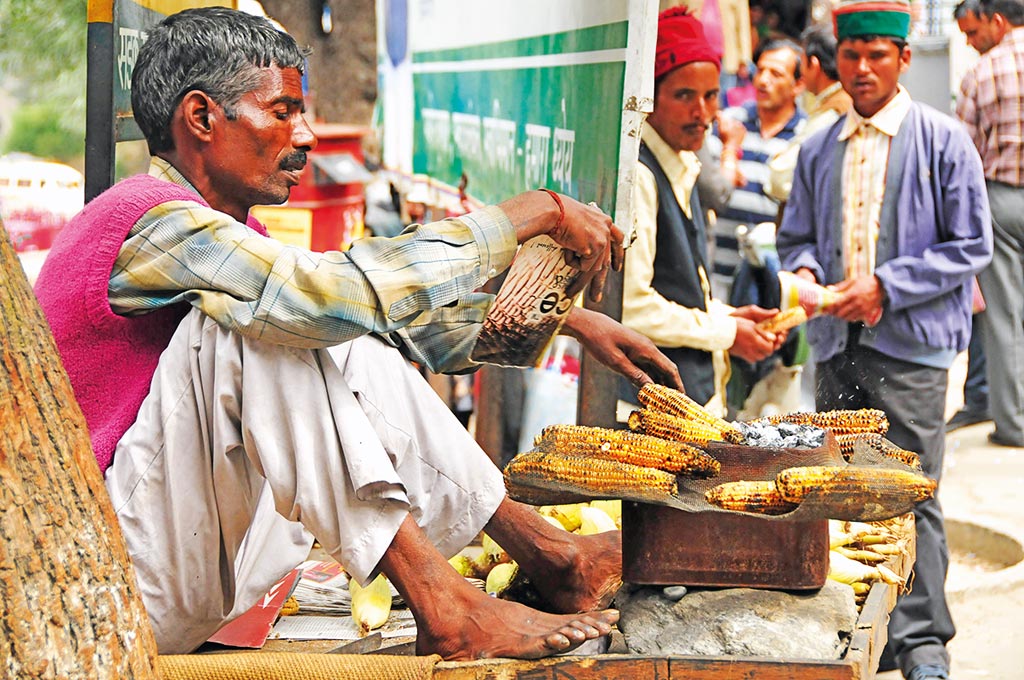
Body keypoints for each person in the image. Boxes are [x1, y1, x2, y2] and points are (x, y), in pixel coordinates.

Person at [33, 7, 685, 660]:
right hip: (109, 584)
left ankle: (548, 553)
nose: (306, 135)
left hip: (197, 564)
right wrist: (532, 212)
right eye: (282, 111)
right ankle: (443, 600)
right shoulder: (142, 221)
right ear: (202, 119)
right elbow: (311, 300)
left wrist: (565, 319)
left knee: (324, 320)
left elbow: (376, 321)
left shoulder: (232, 239)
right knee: (273, 323)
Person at [776, 1, 993, 678]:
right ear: (835, 60)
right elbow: (796, 240)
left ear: (903, 59)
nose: (863, 68)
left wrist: (886, 287)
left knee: (912, 492)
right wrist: (808, 274)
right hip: (837, 344)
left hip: (914, 349)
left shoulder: (943, 140)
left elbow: (972, 244)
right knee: (845, 495)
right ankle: (860, 625)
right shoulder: (817, 146)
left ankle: (922, 641)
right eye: (851, 54)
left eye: (878, 54)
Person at [619, 6, 783, 417]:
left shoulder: (684, 165)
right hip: (650, 408)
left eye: (710, 96)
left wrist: (728, 314)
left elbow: (679, 291)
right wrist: (727, 332)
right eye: (684, 96)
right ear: (649, 98)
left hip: (690, 401)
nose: (703, 114)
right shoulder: (640, 177)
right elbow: (633, 308)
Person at [955, 0, 1024, 446]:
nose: (969, 41)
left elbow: (964, 155)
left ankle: (1015, 425)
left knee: (1005, 317)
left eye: (973, 32)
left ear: (997, 21)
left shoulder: (981, 72)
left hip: (1000, 200)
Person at [707, 38, 806, 301]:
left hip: (769, 282)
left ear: (799, 84)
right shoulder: (730, 123)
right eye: (760, 70)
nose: (763, 81)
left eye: (776, 74)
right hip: (717, 273)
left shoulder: (804, 137)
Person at [765, 23, 852, 214]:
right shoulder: (835, 107)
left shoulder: (833, 114)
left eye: (802, 62)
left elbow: (781, 179)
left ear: (814, 64)